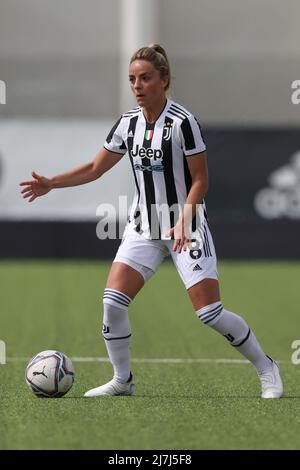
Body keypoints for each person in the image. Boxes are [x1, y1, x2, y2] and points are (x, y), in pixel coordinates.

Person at [20, 43, 283, 399]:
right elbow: (96, 168)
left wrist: (184, 218)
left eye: (145, 78)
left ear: (164, 80)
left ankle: (267, 367)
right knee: (112, 302)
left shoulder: (183, 123)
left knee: (209, 313)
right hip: (143, 226)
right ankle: (123, 380)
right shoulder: (128, 124)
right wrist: (52, 182)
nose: (137, 86)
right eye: (132, 80)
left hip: (185, 225)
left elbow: (201, 180)